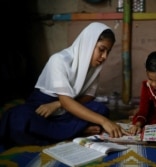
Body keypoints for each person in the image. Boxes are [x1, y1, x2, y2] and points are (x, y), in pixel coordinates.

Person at [0, 22, 129, 147]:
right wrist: (104, 121)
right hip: (44, 108)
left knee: (101, 109)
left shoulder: (94, 69)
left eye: (108, 52)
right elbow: (66, 102)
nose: (104, 56)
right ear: (87, 44)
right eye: (101, 49)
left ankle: (66, 132)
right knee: (19, 117)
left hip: (67, 107)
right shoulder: (59, 60)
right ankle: (77, 131)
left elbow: (88, 96)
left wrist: (58, 104)